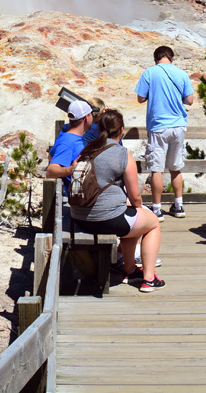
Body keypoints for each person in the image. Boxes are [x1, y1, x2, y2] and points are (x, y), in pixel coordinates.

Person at [68, 109, 166, 292]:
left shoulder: (87, 149)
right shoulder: (122, 154)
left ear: (99, 129)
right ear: (121, 130)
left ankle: (130, 270)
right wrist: (140, 209)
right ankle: (149, 278)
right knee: (151, 223)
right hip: (105, 219)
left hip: (79, 218)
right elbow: (135, 195)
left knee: (133, 218)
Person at [135, 45, 194, 219]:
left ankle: (156, 209)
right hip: (178, 127)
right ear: (171, 58)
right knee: (176, 168)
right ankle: (179, 206)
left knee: (157, 170)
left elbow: (140, 98)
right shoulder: (182, 74)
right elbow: (189, 100)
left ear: (156, 58)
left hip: (158, 127)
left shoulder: (150, 73)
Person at [44, 99, 102, 194]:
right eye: (91, 114)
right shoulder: (69, 142)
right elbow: (50, 171)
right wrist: (71, 169)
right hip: (81, 200)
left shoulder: (66, 136)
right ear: (87, 118)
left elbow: (51, 156)